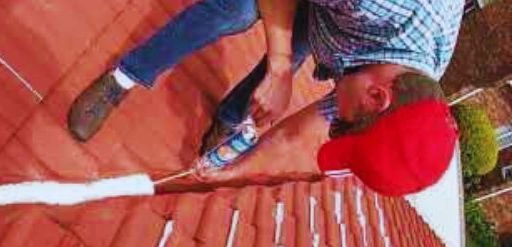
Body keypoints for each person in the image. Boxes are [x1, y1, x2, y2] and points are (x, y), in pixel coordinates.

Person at [67, 0, 464, 196]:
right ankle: (123, 78)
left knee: (292, 53)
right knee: (235, 13)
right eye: (342, 127)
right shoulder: (379, 6)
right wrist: (278, 65)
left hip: (340, 21)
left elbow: (296, 136)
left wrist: (235, 170)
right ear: (377, 96)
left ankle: (232, 117)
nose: (334, 126)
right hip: (349, 14)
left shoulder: (411, 89)